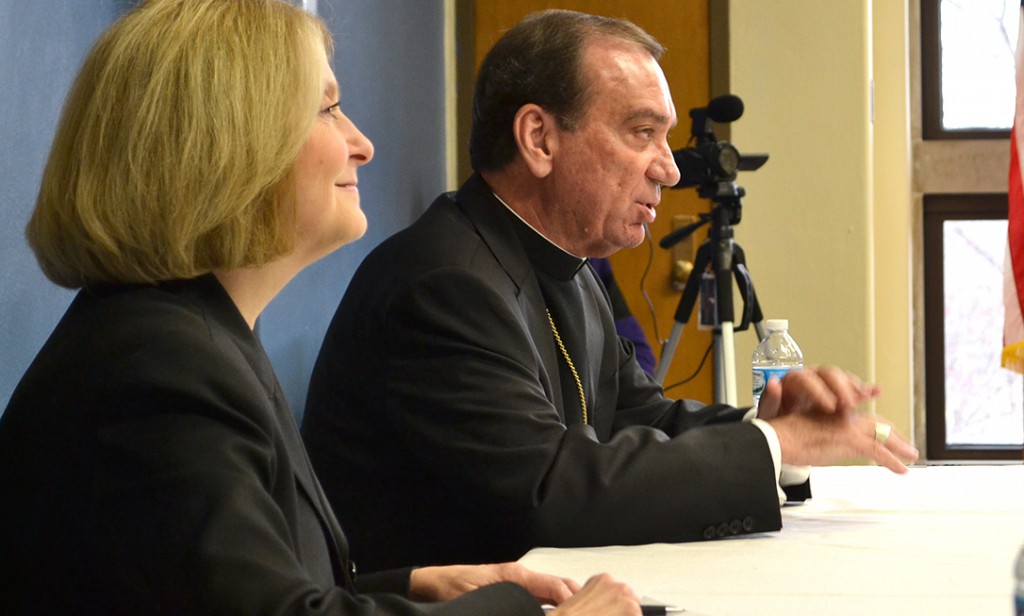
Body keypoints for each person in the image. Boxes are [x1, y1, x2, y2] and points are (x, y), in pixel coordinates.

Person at [0, 2, 643, 614]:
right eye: (328, 110)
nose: (361, 144)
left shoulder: (185, 336)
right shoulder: (156, 375)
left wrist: (415, 585)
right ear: (227, 146)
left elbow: (233, 592)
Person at [301, 8, 919, 574]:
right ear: (539, 139)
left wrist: (771, 429)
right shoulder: (443, 285)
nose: (670, 168)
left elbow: (644, 418)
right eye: (641, 132)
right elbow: (549, 492)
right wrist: (767, 447)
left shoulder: (566, 261)